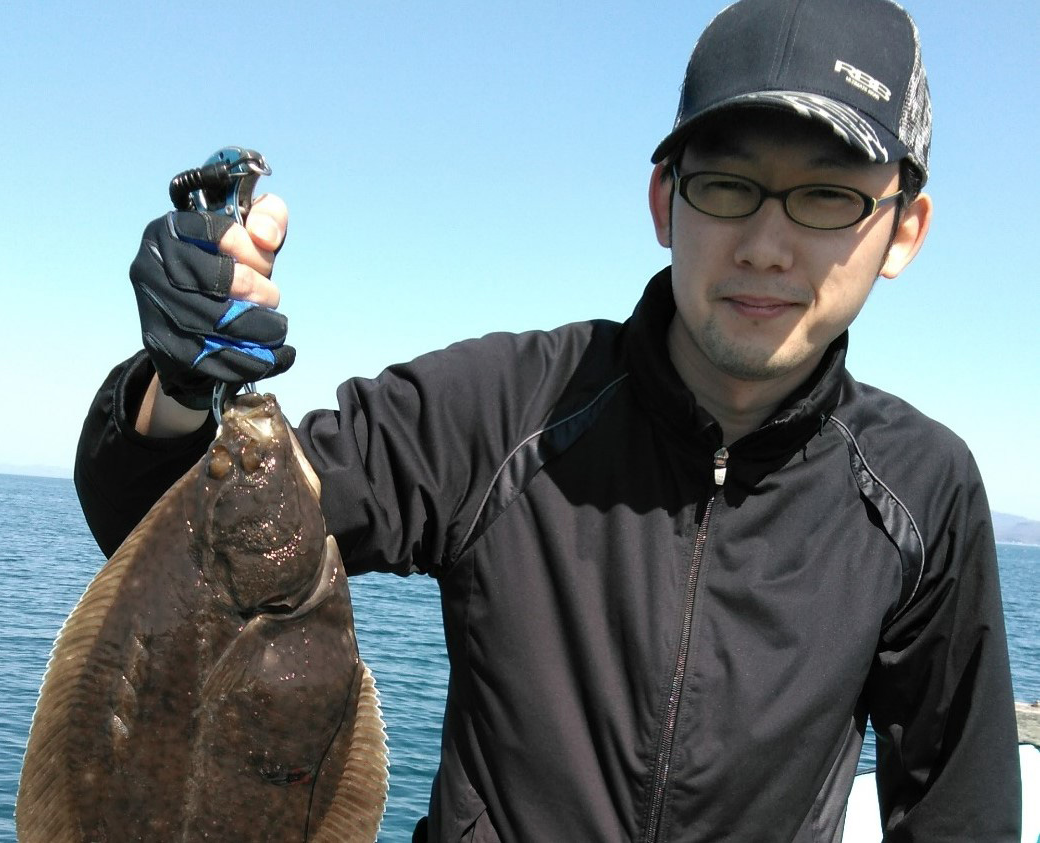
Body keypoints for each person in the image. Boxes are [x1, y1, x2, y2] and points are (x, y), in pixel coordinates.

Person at [74, 0, 1023, 839]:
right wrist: (182, 387)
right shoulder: (503, 407)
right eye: (729, 186)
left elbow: (958, 807)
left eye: (827, 196)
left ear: (902, 228)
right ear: (665, 202)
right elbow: (177, 535)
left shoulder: (921, 491)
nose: (768, 246)